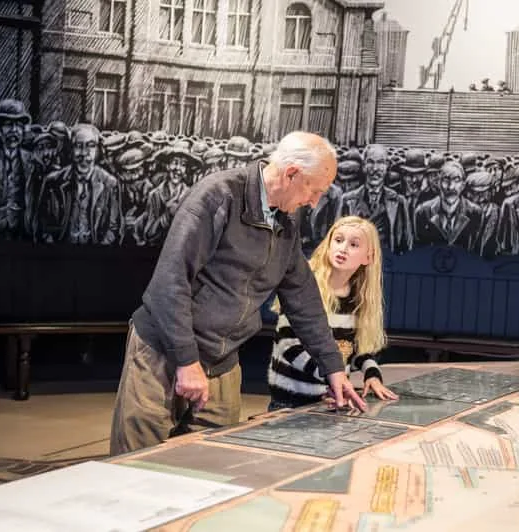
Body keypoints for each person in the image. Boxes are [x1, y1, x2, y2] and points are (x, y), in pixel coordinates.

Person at [109, 131, 367, 456]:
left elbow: (302, 296)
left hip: (221, 360)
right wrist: (187, 362)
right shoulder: (217, 197)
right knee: (137, 463)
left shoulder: (286, 218)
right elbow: (169, 284)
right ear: (291, 174)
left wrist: (333, 366)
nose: (314, 202)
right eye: (313, 191)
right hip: (165, 352)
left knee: (213, 465)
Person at [267, 216, 399, 410]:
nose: (343, 248)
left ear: (368, 257)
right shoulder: (305, 287)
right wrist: (332, 379)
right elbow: (289, 345)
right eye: (338, 240)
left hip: (330, 399)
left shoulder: (358, 300)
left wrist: (372, 375)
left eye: (354, 244)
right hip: (289, 401)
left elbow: (359, 349)